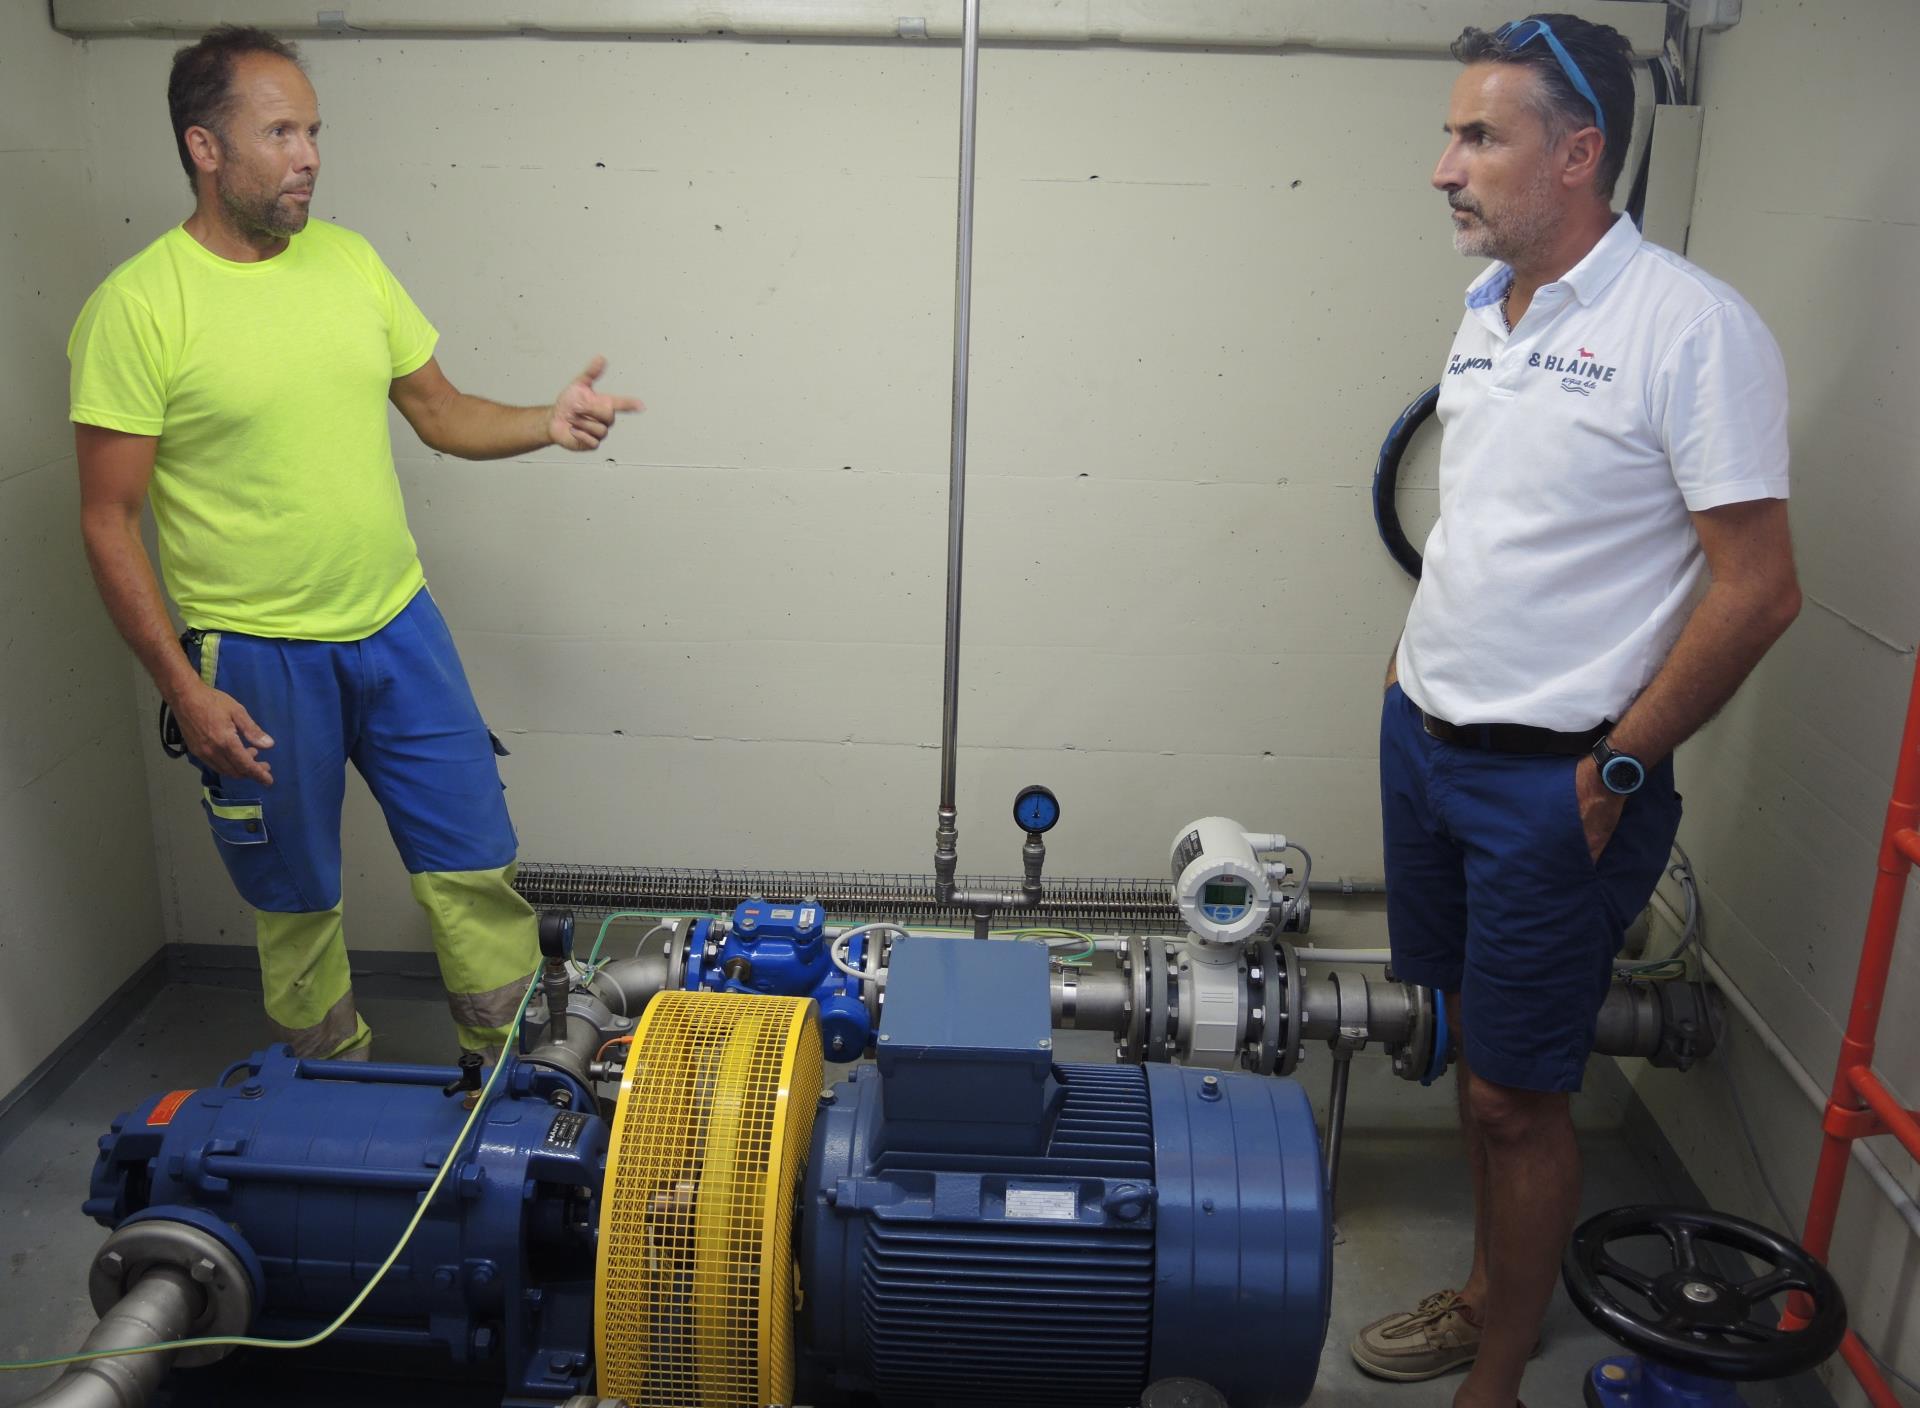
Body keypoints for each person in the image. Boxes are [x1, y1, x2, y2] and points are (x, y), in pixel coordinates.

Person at [1353, 15, 1801, 1408]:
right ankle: (1491, 1290)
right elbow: (1493, 531)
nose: (1445, 167)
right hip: (1426, 743)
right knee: (1469, 1051)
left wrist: (1614, 770)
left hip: (1557, 781)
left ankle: (1496, 1369)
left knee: (1515, 1093)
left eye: (1480, 135)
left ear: (1579, 152)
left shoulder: (1692, 329)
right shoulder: (1491, 311)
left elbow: (1761, 588)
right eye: (1451, 134)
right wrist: (1402, 675)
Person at [68, 26, 641, 1062]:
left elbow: (440, 409)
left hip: (397, 626)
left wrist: (544, 423)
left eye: (315, 130)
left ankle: (514, 1086)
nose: (310, 155)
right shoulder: (138, 308)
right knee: (297, 902)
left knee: (474, 864)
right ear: (206, 148)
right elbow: (107, 519)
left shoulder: (350, 261)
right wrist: (184, 689)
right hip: (254, 656)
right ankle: (327, 1113)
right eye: (280, 131)